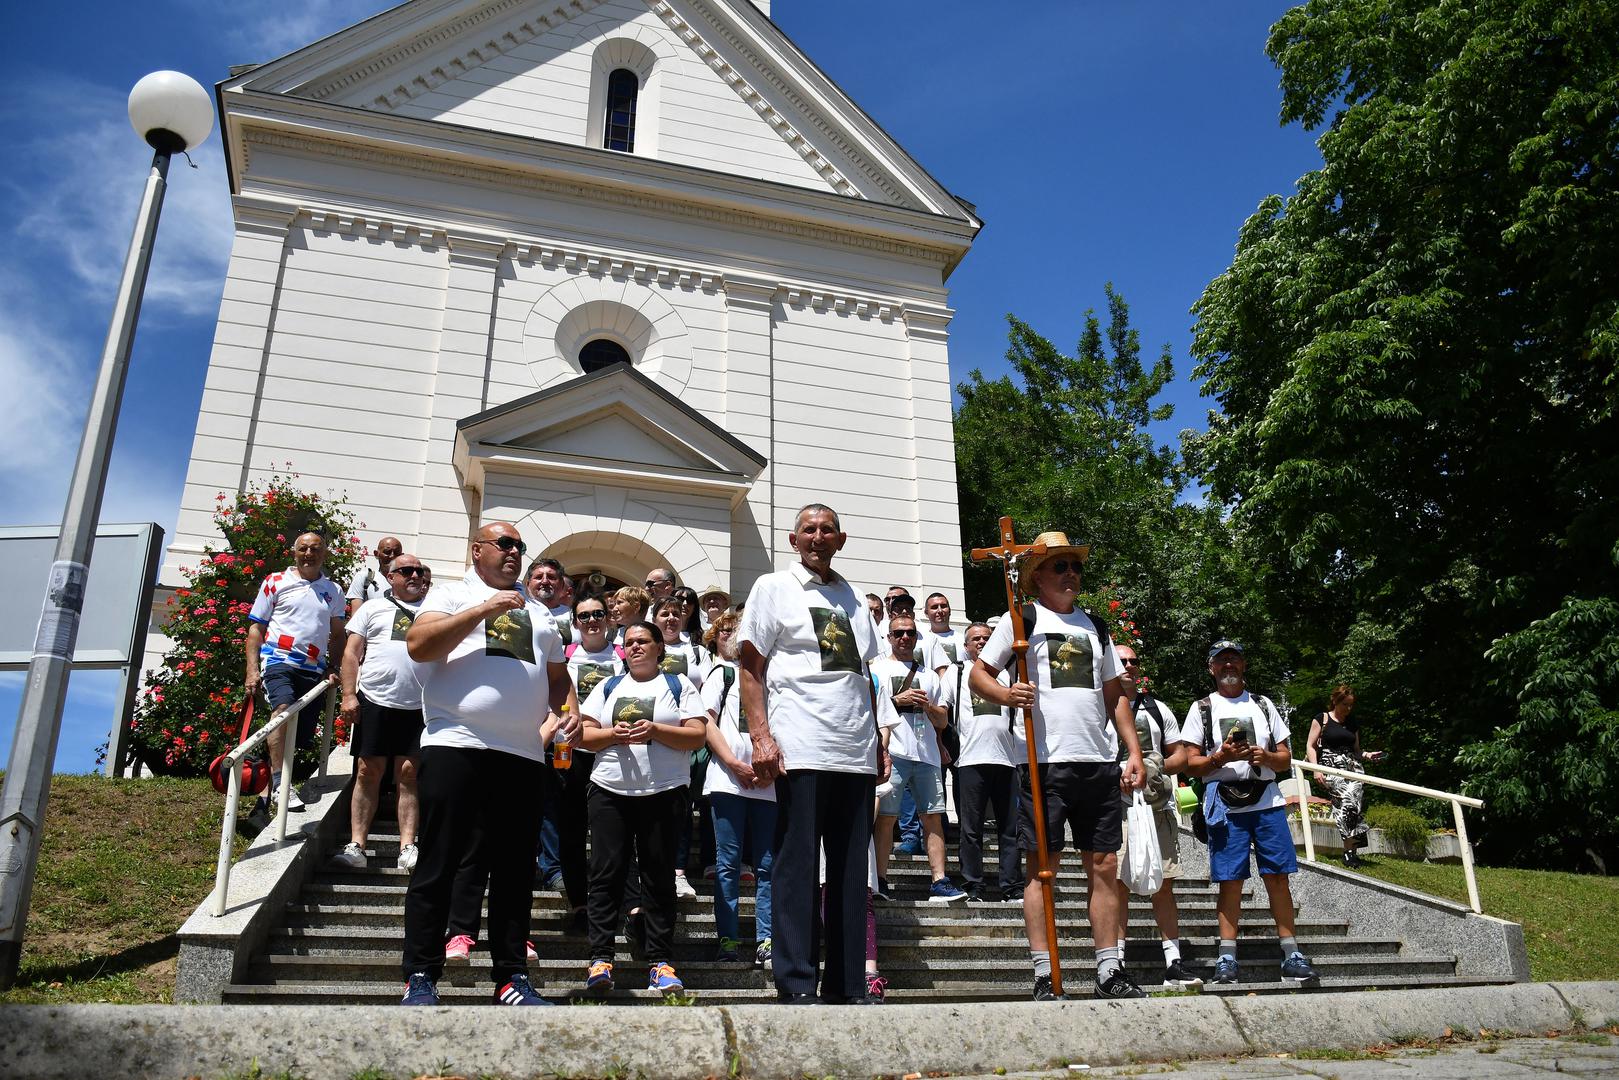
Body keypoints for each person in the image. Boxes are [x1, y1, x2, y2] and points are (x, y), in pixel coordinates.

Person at [398, 522, 576, 1007]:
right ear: (477, 550)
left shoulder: (540, 614)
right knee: (439, 863)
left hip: (520, 755)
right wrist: (484, 609)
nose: (515, 552)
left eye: (520, 546)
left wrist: (571, 711)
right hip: (454, 743)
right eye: (505, 544)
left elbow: (558, 679)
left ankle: (511, 978)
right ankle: (421, 976)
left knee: (516, 871)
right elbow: (419, 644)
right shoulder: (452, 594)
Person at [971, 530, 1147, 1000]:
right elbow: (978, 675)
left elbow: (1115, 696)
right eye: (1060, 566)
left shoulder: (1097, 628)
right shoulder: (1020, 620)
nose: (1070, 573)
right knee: (1041, 868)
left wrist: (1131, 751)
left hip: (1096, 761)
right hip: (1043, 762)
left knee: (1105, 865)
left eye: (1076, 566)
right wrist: (1008, 695)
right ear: (1037, 575)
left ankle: (1110, 969)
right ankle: (1045, 971)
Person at [738, 503, 886, 1004]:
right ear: (792, 539)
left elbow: (861, 676)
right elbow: (751, 667)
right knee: (797, 866)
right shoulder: (772, 588)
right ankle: (796, 981)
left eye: (827, 531)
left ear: (840, 540)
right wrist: (761, 735)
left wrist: (878, 740)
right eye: (809, 530)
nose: (817, 538)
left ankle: (847, 984)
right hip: (801, 746)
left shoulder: (851, 597)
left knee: (849, 871)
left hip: (854, 751)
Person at [578, 621, 708, 997]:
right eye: (630, 642)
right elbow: (585, 735)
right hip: (609, 790)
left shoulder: (678, 685)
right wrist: (612, 735)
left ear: (657, 648)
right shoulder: (608, 686)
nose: (635, 647)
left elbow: (697, 734)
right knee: (606, 875)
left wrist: (654, 730)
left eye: (643, 642)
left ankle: (660, 962)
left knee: (658, 877)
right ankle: (600, 959)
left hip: (664, 791)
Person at [1181, 640, 1320, 986]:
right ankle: (1227, 956)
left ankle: (1291, 953)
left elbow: (1286, 757)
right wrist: (1220, 758)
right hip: (1225, 804)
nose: (1228, 665)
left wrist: (1266, 758)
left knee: (1277, 876)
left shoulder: (1263, 704)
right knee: (1230, 881)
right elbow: (1189, 763)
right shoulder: (1202, 708)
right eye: (1221, 660)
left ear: (1243, 665)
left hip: (1267, 802)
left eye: (1234, 659)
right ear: (1211, 668)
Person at [1110, 644, 1202, 989]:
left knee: (1163, 884)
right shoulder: (1099, 706)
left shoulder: (1157, 708)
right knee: (1117, 884)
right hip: (1115, 808)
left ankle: (1173, 962)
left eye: (1134, 661)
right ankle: (1115, 961)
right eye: (1122, 661)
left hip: (1154, 807)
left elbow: (1182, 756)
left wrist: (1152, 766)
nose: (1129, 666)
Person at [334, 553, 430, 871]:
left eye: (419, 570)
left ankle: (408, 847)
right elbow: (351, 652)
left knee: (409, 775)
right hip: (375, 700)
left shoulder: (435, 611)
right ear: (391, 577)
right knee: (366, 772)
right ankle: (357, 845)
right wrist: (349, 695)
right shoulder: (373, 608)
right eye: (406, 571)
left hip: (419, 706)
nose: (414, 575)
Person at [244, 530, 347, 815]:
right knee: (282, 710)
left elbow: (338, 635)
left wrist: (332, 666)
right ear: (294, 552)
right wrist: (252, 670)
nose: (309, 554)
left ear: (324, 554)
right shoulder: (276, 581)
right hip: (278, 660)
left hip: (312, 669)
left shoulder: (333, 591)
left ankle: (263, 804)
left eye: (315, 549)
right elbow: (256, 628)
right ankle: (280, 784)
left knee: (296, 737)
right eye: (303, 548)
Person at [872, 613, 966, 902]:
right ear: (889, 637)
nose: (905, 638)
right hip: (894, 751)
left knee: (933, 818)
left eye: (910, 633)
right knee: (886, 819)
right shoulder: (878, 669)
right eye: (899, 633)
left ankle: (939, 880)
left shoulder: (928, 675)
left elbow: (942, 719)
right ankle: (881, 880)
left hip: (925, 755)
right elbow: (870, 710)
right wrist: (897, 702)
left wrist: (928, 708)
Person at [701, 610, 775, 967]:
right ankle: (728, 940)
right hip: (728, 782)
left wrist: (771, 769)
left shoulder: (772, 675)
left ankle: (767, 940)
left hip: (769, 783)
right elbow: (706, 723)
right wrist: (732, 763)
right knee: (728, 865)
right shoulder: (723, 672)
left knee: (767, 865)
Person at [950, 621, 1023, 903]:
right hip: (970, 760)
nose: (981, 642)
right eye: (975, 639)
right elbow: (943, 712)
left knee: (1010, 828)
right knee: (971, 828)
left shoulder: (1009, 673)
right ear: (966, 645)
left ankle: (1012, 886)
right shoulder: (956, 674)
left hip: (1007, 760)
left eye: (986, 638)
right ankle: (973, 885)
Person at [1306, 684, 1384, 868]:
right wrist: (1316, 769)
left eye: (1351, 705)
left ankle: (1351, 852)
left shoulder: (1352, 723)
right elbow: (1310, 746)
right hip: (1332, 768)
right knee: (1346, 803)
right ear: (1335, 701)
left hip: (1353, 769)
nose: (1348, 709)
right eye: (1345, 705)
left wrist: (1368, 755)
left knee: (1354, 808)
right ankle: (1349, 851)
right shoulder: (1322, 718)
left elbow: (1356, 751)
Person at [346, 536, 402, 613]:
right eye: (387, 552)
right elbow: (356, 615)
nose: (392, 556)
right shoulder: (365, 577)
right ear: (376, 554)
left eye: (397, 552)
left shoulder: (408, 581)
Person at [525, 557, 573, 647]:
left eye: (551, 577)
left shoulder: (574, 616)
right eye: (539, 577)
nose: (545, 581)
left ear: (562, 584)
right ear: (528, 584)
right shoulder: (517, 611)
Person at [921, 593, 960, 672]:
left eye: (943, 606)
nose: (940, 610)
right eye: (934, 607)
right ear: (926, 613)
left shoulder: (963, 639)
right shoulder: (920, 641)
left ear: (950, 611)